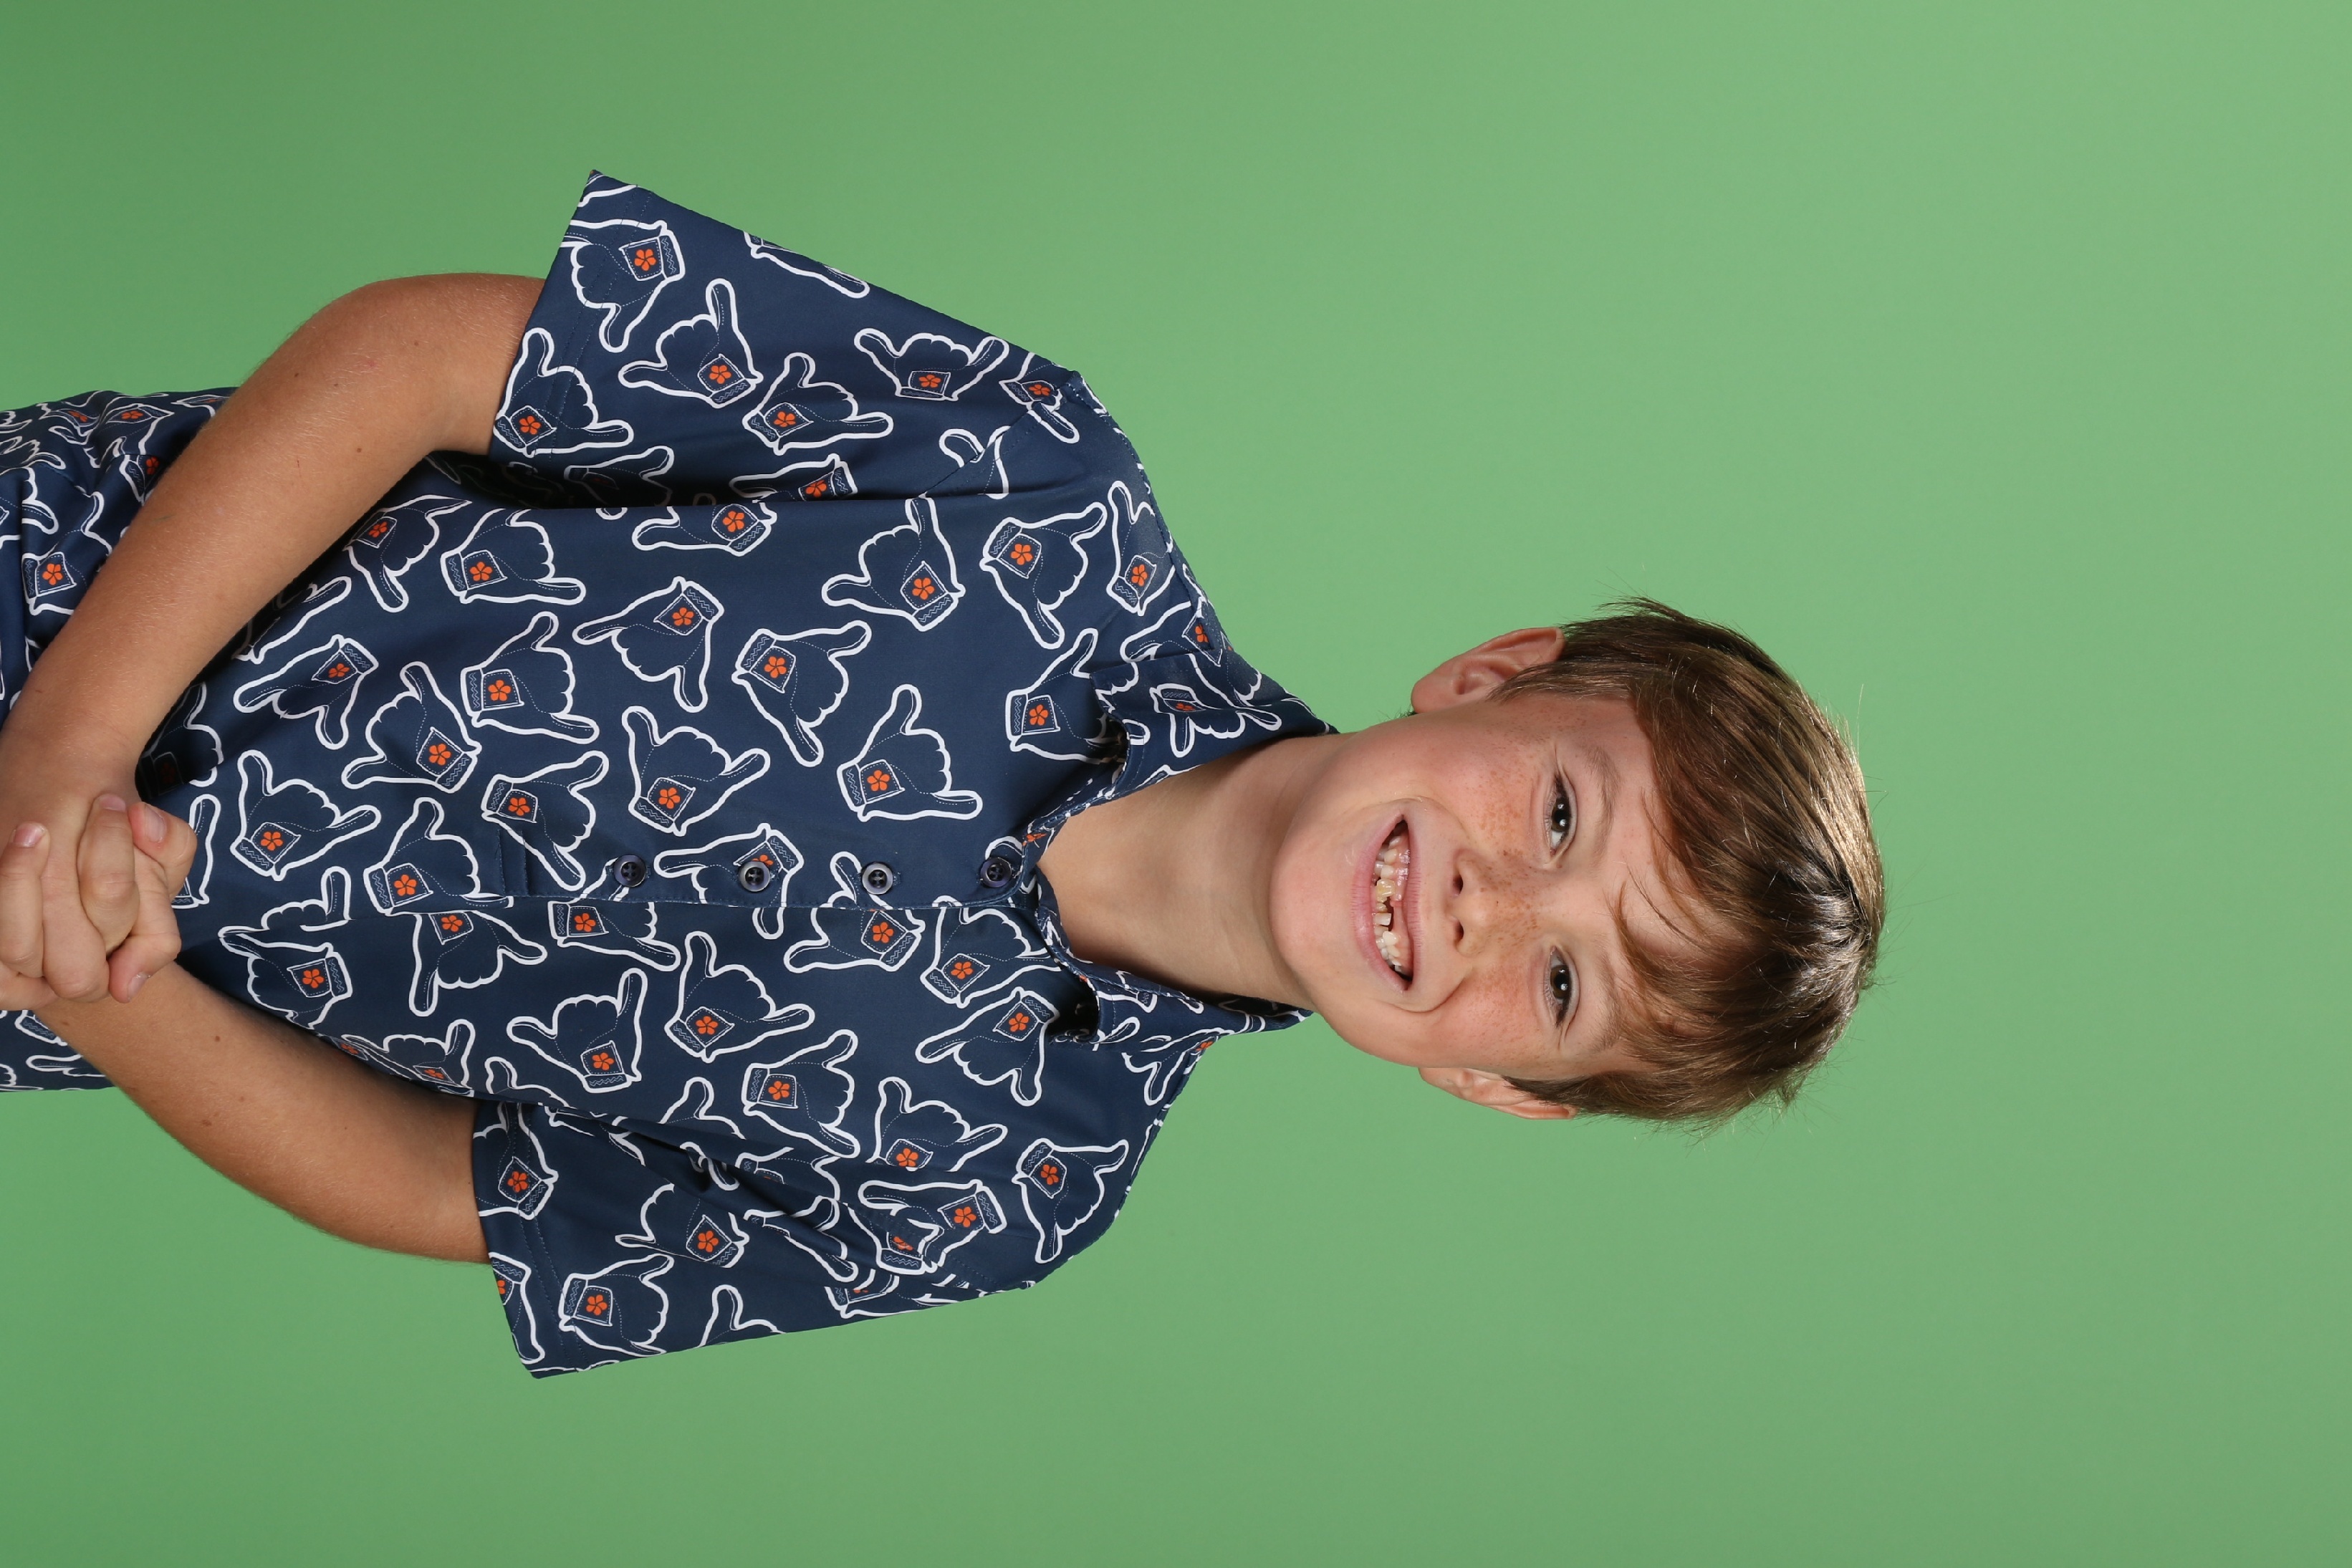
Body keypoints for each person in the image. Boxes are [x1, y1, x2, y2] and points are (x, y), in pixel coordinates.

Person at [0, 175, 1883, 1373]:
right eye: (1558, 816)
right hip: (58, 576)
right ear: (1493, 679)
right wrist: (70, 745)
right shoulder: (1038, 482)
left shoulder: (999, 1190)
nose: (1492, 901)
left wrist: (89, 967)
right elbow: (425, 356)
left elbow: (446, 1185)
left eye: (1558, 985)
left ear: (1495, 1086)